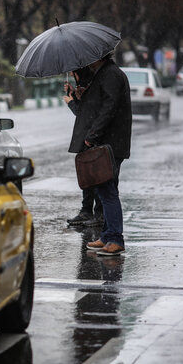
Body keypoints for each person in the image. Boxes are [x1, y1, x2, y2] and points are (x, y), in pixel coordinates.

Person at [63, 54, 132, 255]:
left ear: (97, 56)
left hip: (110, 143)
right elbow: (95, 105)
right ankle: (107, 236)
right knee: (104, 190)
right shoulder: (104, 74)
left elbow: (108, 109)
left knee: (109, 192)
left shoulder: (110, 75)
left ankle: (116, 238)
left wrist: (92, 136)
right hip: (108, 142)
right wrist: (78, 95)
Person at [65, 70, 104, 228]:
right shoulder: (89, 82)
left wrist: (71, 102)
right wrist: (75, 95)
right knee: (87, 176)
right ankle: (86, 211)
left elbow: (85, 113)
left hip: (92, 138)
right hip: (88, 138)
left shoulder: (94, 81)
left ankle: (97, 213)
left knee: (95, 178)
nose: (72, 74)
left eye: (73, 72)